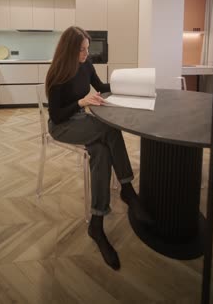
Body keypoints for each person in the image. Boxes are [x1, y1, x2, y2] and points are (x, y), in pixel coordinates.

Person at [45, 26, 144, 270]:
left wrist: (129, 85)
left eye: (87, 49)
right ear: (69, 50)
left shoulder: (87, 64)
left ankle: (96, 224)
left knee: (100, 151)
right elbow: (56, 115)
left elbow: (100, 86)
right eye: (81, 50)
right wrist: (81, 101)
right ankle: (127, 188)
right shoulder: (58, 73)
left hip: (79, 119)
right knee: (110, 129)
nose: (86, 54)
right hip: (62, 125)